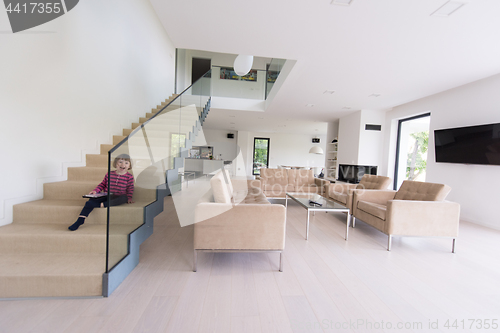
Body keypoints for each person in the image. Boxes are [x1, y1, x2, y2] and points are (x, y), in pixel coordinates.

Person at [68, 154, 134, 231]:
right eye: (120, 162)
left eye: (126, 163)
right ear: (116, 163)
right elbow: (102, 184)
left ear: (129, 166)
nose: (123, 164)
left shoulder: (129, 177)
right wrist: (95, 191)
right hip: (106, 195)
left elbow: (130, 188)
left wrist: (129, 198)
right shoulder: (109, 174)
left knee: (124, 198)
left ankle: (101, 205)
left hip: (118, 196)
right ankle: (80, 220)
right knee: (90, 202)